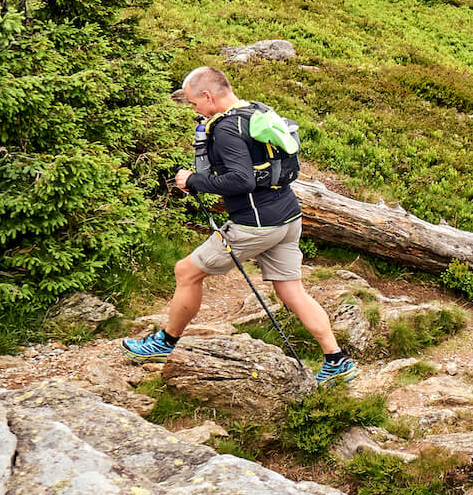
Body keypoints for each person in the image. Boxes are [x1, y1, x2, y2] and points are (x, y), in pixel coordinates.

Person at [125, 67, 354, 385]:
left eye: (194, 103)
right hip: (287, 216)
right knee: (291, 291)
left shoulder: (226, 128)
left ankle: (163, 344)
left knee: (186, 272)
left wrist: (193, 180)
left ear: (208, 96)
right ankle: (336, 361)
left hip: (255, 224)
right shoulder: (255, 113)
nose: (194, 109)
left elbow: (242, 179)